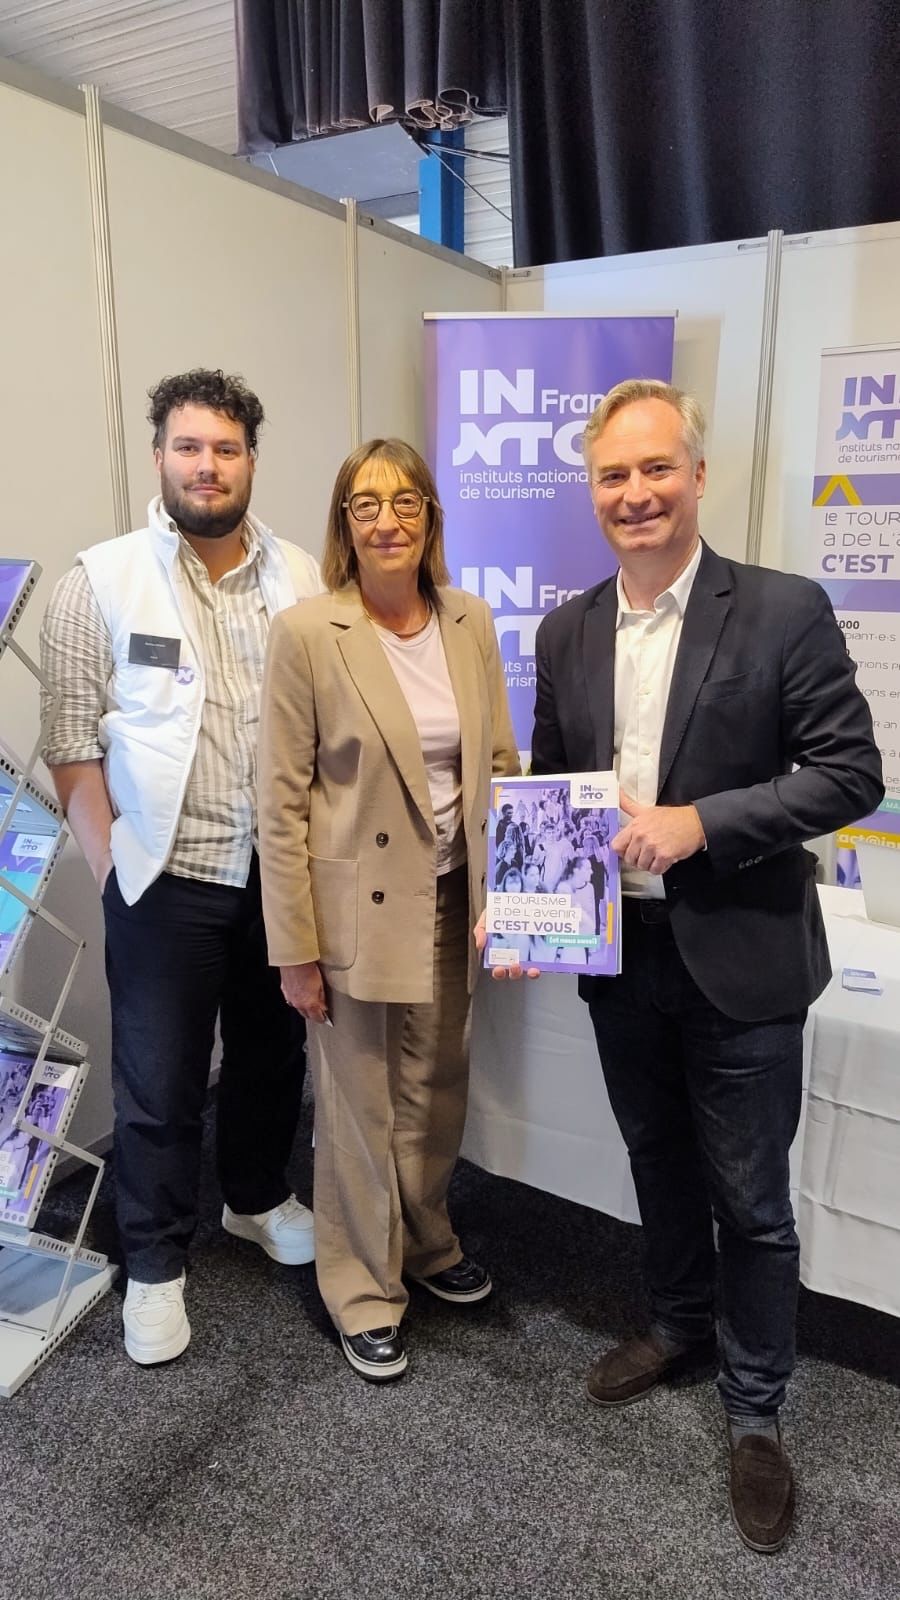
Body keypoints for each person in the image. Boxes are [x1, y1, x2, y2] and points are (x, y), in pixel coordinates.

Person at [526, 379, 883, 1551]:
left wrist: (700, 821)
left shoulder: (781, 610)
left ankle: (756, 1407)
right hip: (620, 954)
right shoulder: (566, 626)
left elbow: (850, 774)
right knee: (656, 1159)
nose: (636, 494)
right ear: (593, 489)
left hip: (742, 956)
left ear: (696, 474)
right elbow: (550, 787)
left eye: (656, 469)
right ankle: (677, 1326)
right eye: (613, 476)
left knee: (754, 1199)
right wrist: (528, 904)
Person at [40, 368, 324, 1366]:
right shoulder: (100, 580)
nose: (209, 465)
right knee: (159, 1082)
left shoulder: (300, 576)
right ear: (160, 455)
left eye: (228, 448)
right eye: (190, 447)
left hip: (281, 877)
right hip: (165, 879)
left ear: (252, 458)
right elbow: (71, 742)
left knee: (270, 1056)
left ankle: (253, 1196)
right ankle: (155, 1262)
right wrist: (110, 858)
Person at [257, 437, 518, 1382]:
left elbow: (499, 768)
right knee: (361, 1109)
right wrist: (295, 949)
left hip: (453, 898)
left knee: (437, 1090)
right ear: (344, 524)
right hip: (352, 913)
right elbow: (279, 801)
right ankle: (364, 1290)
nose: (387, 519)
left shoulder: (470, 621)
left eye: (405, 500)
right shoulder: (307, 633)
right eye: (366, 504)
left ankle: (429, 1243)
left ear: (430, 518)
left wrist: (519, 898)